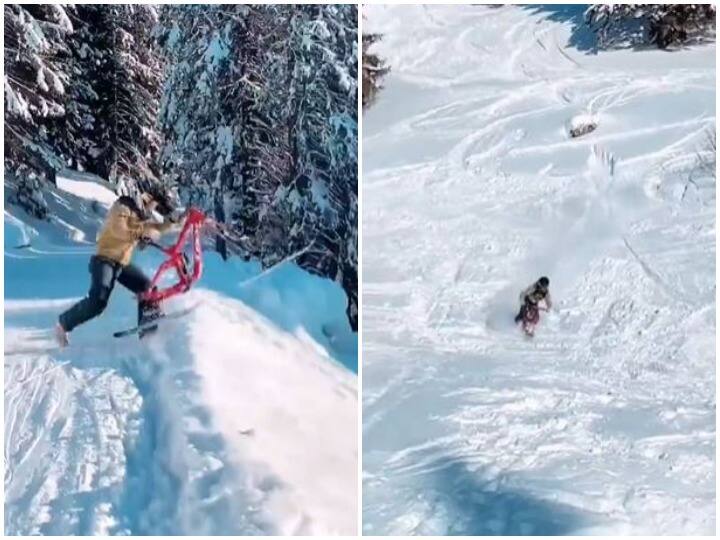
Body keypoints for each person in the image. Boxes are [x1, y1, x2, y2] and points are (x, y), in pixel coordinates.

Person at [55, 186, 179, 346]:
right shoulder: (122, 207)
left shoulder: (140, 221)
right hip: (104, 260)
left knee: (147, 288)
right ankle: (63, 324)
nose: (150, 209)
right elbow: (119, 229)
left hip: (122, 265)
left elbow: (158, 228)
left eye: (154, 207)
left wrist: (175, 220)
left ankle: (147, 335)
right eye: (149, 204)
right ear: (141, 199)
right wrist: (141, 234)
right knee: (98, 302)